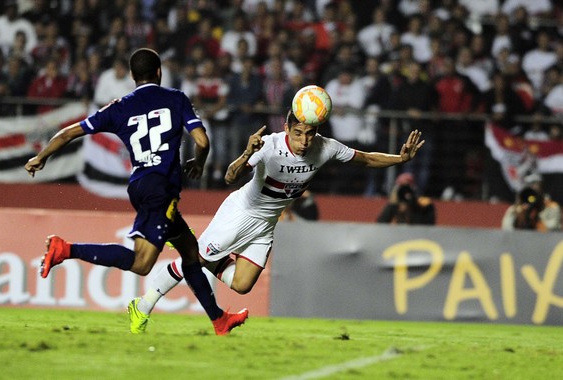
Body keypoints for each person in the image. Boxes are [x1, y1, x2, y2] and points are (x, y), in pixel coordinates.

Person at [129, 107, 424, 333]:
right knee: (193, 261)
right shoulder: (268, 144)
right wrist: (247, 152)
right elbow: (230, 177)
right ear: (286, 128)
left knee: (242, 284)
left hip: (266, 223)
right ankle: (141, 307)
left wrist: (400, 159)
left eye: (310, 133)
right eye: (298, 133)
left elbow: (367, 158)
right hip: (240, 213)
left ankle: (199, 248)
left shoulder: (326, 147)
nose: (305, 140)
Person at [23, 48, 248, 336]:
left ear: (132, 76)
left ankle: (219, 320)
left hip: (141, 184)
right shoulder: (175, 98)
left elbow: (67, 133)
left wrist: (41, 157)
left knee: (191, 253)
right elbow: (202, 141)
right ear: (159, 72)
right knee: (142, 263)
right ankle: (65, 250)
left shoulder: (119, 107)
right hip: (160, 189)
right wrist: (199, 163)